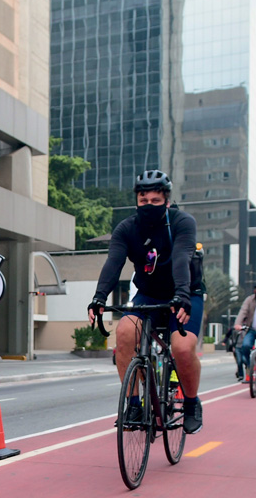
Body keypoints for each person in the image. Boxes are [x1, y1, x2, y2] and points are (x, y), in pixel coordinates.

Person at [86, 170, 203, 434]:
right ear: (136, 200)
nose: (148, 205)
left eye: (155, 200)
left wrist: (182, 295)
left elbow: (182, 258)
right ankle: (134, 403)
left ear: (167, 201)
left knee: (182, 348)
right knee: (125, 333)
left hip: (185, 292)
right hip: (148, 292)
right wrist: (99, 297)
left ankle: (192, 404)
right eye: (143, 200)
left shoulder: (183, 222)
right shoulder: (127, 228)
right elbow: (114, 262)